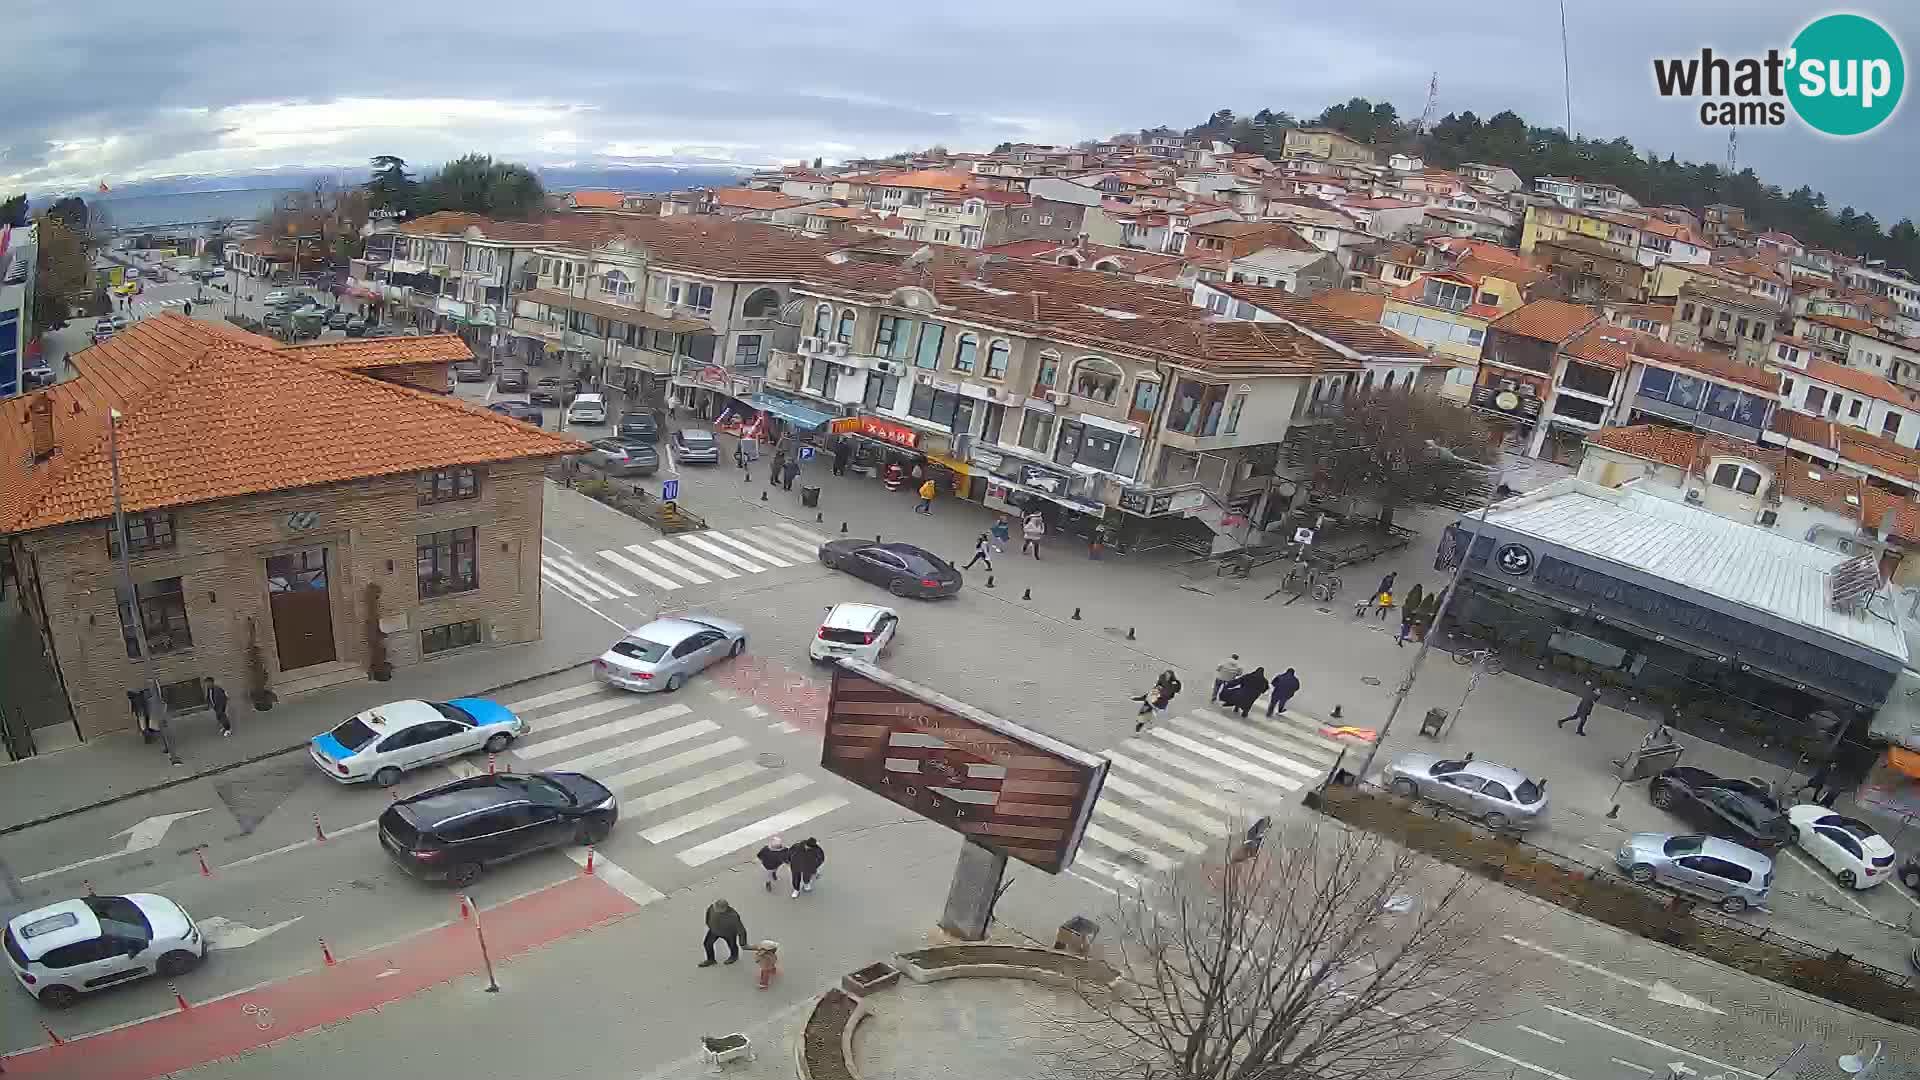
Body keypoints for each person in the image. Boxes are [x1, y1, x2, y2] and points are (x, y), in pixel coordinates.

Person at [698, 898, 748, 967]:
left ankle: (734, 956)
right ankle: (711, 960)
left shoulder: (733, 916)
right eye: (716, 908)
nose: (716, 910)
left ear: (725, 908)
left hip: (728, 933)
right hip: (714, 930)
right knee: (707, 944)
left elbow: (741, 930)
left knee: (732, 945)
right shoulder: (712, 907)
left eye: (718, 909)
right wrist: (709, 924)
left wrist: (743, 943)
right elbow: (708, 915)